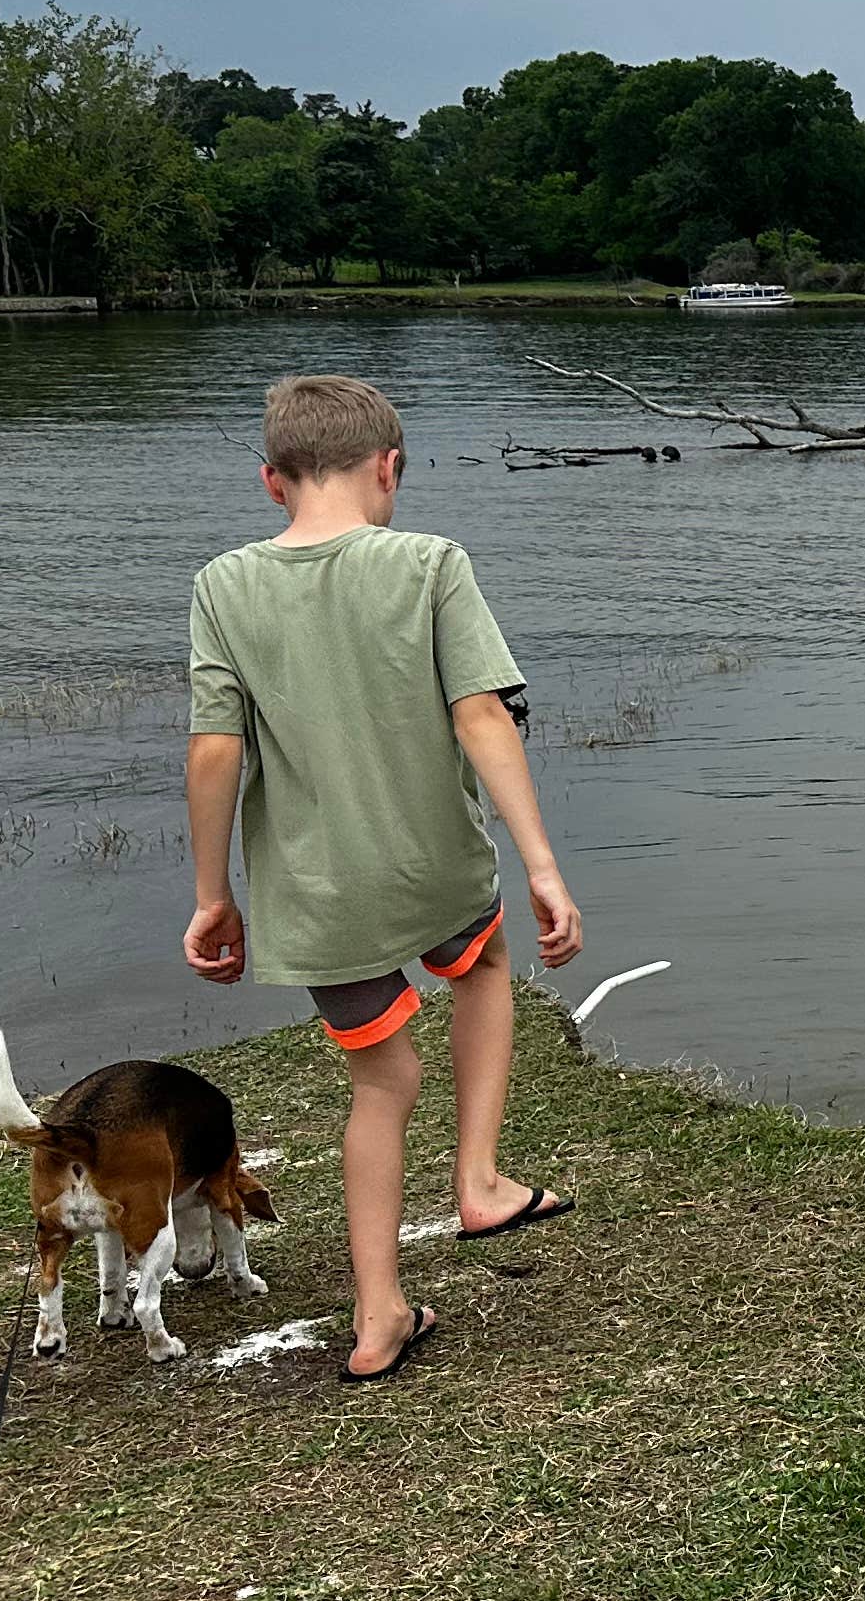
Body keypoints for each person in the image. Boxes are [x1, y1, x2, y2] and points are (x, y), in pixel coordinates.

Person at [182, 374, 584, 1380]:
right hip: (434, 867)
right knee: (482, 967)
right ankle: (481, 1182)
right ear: (389, 466)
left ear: (271, 481)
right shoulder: (430, 563)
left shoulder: (222, 585)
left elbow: (214, 753)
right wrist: (541, 863)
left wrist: (212, 894)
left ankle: (377, 1318)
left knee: (381, 1079)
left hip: (315, 900)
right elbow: (482, 715)